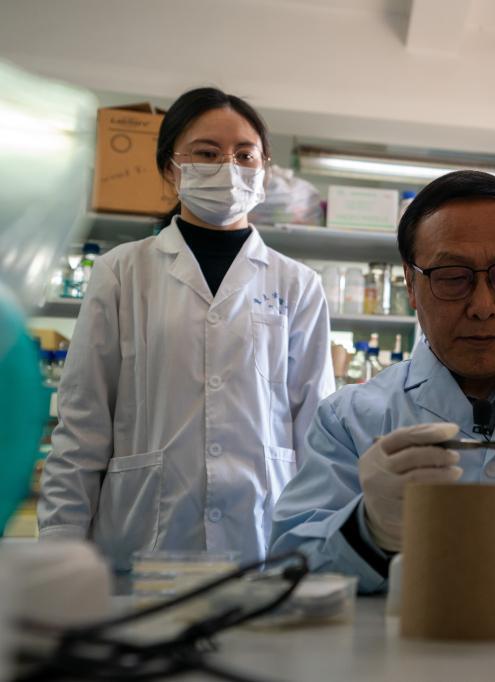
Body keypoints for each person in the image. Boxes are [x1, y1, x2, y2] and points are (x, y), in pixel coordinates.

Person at [271, 171, 495, 593]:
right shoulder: (348, 419)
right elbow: (288, 569)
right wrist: (366, 530)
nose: (483, 306)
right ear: (411, 285)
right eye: (452, 277)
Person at [37, 87, 334, 567]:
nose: (228, 168)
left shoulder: (297, 284)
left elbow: (315, 429)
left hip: (263, 535)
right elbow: (83, 422)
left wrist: (318, 545)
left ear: (263, 167)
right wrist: (59, 546)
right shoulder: (121, 272)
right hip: (143, 534)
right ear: (169, 167)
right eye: (207, 153)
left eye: (245, 155)